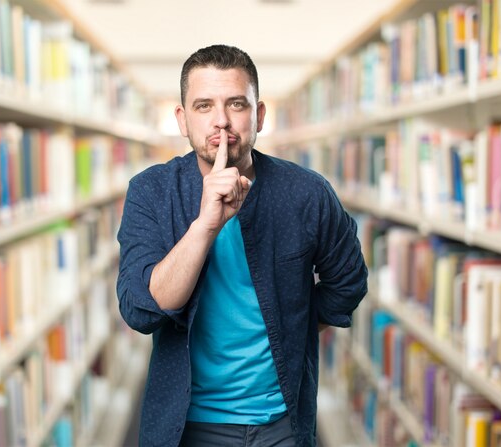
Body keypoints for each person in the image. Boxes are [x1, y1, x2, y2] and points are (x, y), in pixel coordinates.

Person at [116, 44, 368, 447]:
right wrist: (205, 225)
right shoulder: (151, 192)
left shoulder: (307, 193)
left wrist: (294, 326)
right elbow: (141, 310)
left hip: (282, 424)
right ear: (182, 119)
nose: (221, 121)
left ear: (259, 115)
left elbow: (349, 282)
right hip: (187, 426)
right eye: (203, 106)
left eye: (236, 103)